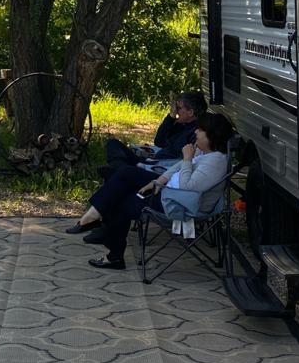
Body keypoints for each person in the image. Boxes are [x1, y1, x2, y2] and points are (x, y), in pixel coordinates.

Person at [66, 112, 233, 270]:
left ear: (212, 136)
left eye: (201, 130)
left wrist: (188, 159)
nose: (196, 131)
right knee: (126, 174)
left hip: (180, 204)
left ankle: (111, 250)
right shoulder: (205, 153)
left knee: (121, 201)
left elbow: (187, 188)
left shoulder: (215, 162)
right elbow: (176, 168)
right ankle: (96, 216)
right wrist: (156, 182)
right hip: (169, 192)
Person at [101, 90, 207, 176]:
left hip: (158, 167)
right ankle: (118, 167)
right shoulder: (181, 124)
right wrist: (171, 117)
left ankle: (118, 169)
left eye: (179, 108)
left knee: (122, 166)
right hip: (152, 160)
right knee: (113, 143)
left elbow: (182, 161)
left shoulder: (197, 133)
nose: (177, 111)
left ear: (191, 112)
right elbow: (159, 141)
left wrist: (150, 164)